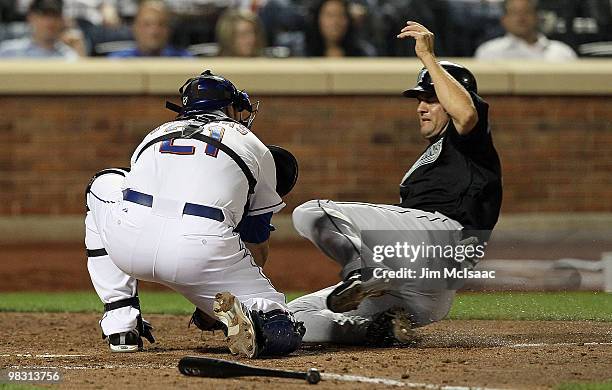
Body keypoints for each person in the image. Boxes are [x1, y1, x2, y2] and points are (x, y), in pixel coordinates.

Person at [288, 21, 502, 345]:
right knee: (296, 314)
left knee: (313, 212)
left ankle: (365, 271)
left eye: (430, 98)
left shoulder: (469, 140)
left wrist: (429, 58)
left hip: (442, 237)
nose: (421, 107)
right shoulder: (437, 154)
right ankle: (378, 329)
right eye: (420, 98)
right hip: (430, 286)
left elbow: (467, 114)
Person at [84, 70, 305, 358]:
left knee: (102, 183)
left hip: (128, 241)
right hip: (201, 251)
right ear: (230, 108)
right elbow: (255, 243)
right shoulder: (251, 142)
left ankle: (120, 320)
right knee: (280, 325)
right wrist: (226, 286)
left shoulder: (155, 134)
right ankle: (261, 324)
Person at [475, 0, 576, 60]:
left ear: (537, 17)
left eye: (527, 12)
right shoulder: (488, 52)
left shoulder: (562, 51)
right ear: (503, 20)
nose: (521, 18)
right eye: (514, 13)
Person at [108, 0, 191, 57]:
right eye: (147, 24)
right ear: (134, 28)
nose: (154, 31)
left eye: (160, 24)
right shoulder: (117, 61)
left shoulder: (185, 60)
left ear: (169, 29)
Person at [0, 0, 80, 58]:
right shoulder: (8, 52)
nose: (50, 21)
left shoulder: (69, 56)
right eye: (44, 15)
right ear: (31, 17)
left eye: (55, 15)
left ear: (62, 20)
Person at [304, 0, 376, 57]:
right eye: (330, 15)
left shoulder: (363, 53)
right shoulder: (303, 52)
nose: (335, 22)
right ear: (318, 19)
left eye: (341, 15)